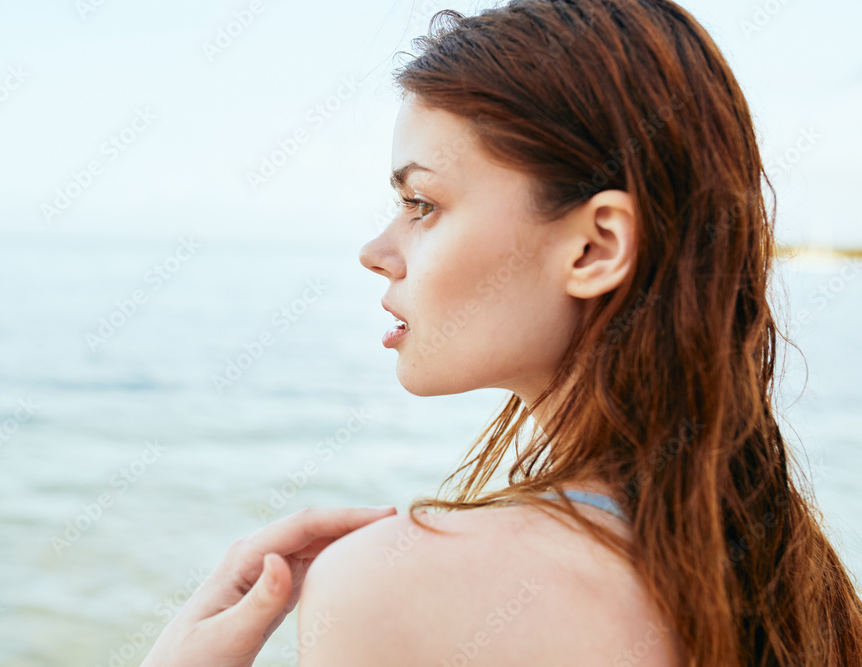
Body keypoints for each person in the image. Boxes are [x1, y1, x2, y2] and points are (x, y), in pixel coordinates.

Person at [142, 1, 862, 665]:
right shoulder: (802, 587)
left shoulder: (391, 590)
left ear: (596, 247)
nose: (376, 251)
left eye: (422, 203)